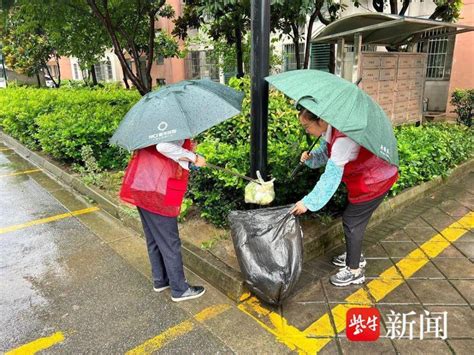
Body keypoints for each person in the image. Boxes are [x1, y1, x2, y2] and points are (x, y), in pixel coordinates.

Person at [291, 108, 398, 287]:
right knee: (354, 220)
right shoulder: (332, 129)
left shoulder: (344, 138)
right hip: (366, 179)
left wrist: (307, 203)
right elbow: (326, 153)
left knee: (352, 222)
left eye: (307, 126)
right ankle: (354, 256)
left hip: (375, 181)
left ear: (321, 121)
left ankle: (354, 271)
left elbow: (331, 177)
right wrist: (311, 158)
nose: (306, 131)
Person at [119, 139, 207, 302]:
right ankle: (180, 289)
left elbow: (166, 154)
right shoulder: (172, 127)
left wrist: (191, 163)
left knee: (154, 238)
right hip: (158, 190)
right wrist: (193, 157)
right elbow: (163, 147)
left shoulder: (153, 130)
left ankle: (161, 280)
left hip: (142, 186)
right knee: (170, 242)